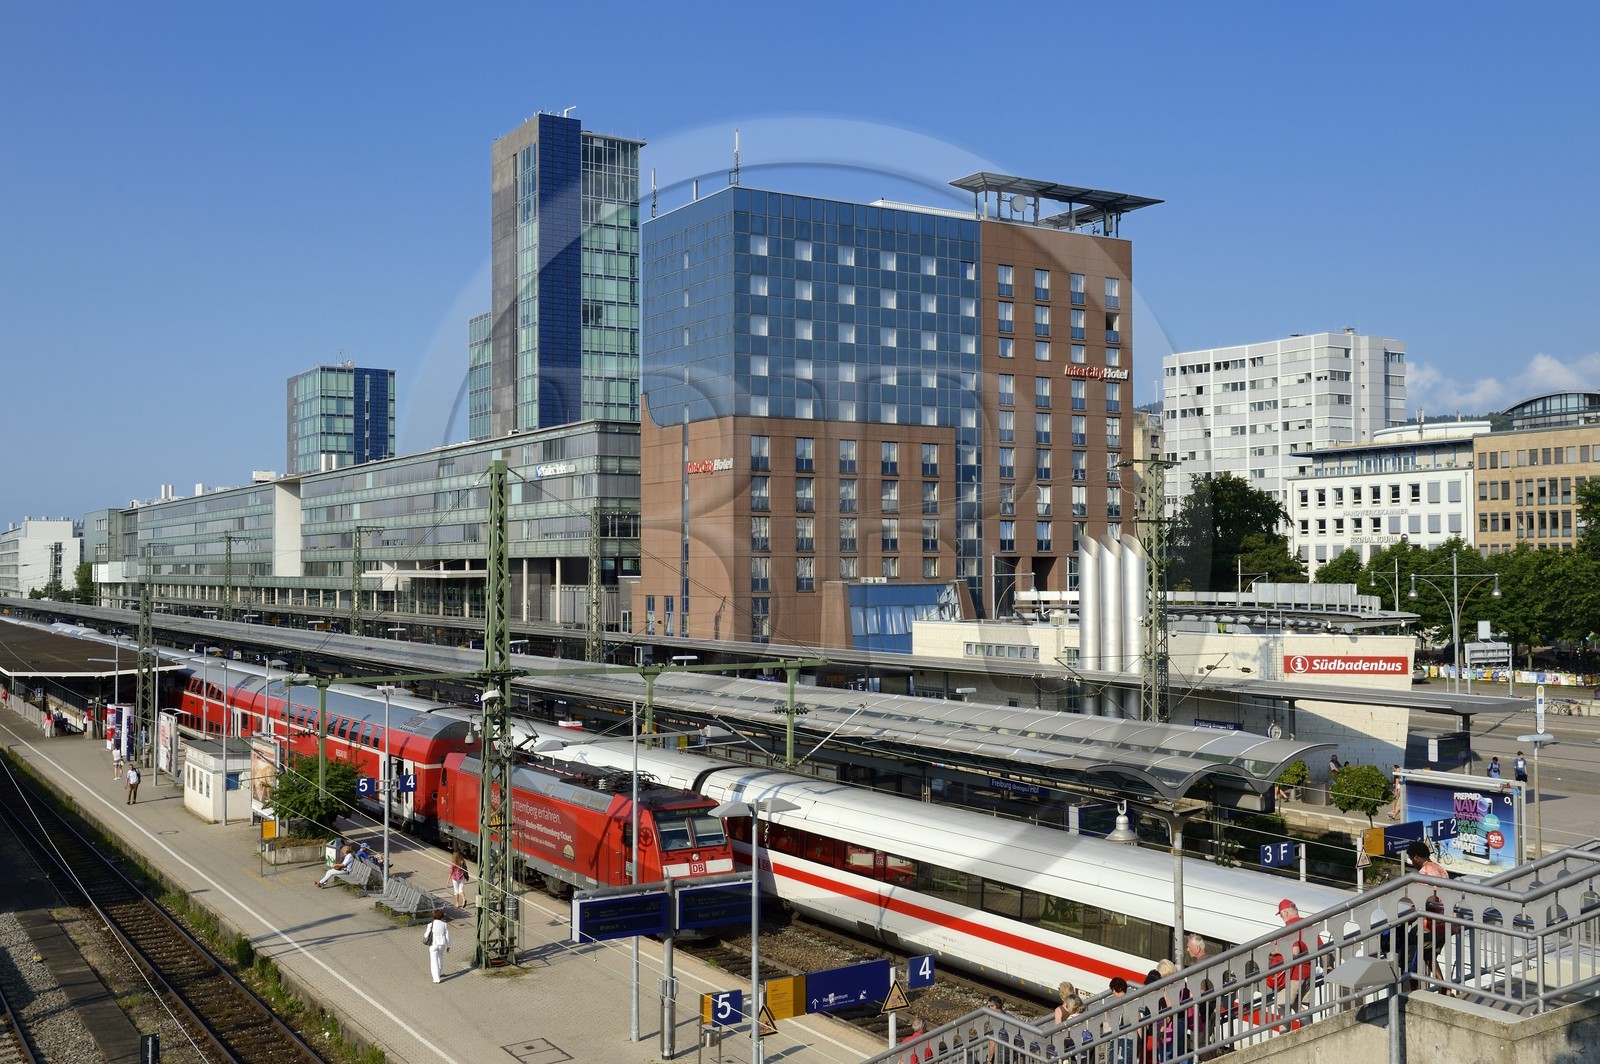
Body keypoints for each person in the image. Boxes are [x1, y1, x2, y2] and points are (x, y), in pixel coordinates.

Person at [1405, 841, 1450, 988]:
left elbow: (1431, 898)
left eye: (1412, 860)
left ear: (1417, 857)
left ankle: (1414, 990)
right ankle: (1444, 987)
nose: (1413, 863)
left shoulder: (1424, 872)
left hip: (1431, 924)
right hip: (1446, 922)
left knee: (1412, 951)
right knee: (1428, 954)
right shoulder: (1440, 869)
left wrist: (1417, 906)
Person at [1272, 899, 1313, 1022]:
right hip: (1308, 972)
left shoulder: (1290, 927)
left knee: (1282, 1007)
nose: (1281, 917)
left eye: (1280, 914)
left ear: (1285, 912)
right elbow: (1320, 947)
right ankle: (1309, 1029)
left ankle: (1285, 1037)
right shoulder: (1308, 924)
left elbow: (1294, 951)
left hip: (1292, 975)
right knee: (1296, 1004)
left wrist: (1276, 951)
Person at [424, 909, 452, 983]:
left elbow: (426, 935)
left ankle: (436, 978)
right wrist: (448, 946)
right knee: (440, 958)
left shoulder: (430, 924)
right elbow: (447, 936)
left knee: (434, 961)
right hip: (442, 943)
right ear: (442, 916)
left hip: (433, 944)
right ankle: (438, 973)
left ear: (433, 916)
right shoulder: (444, 924)